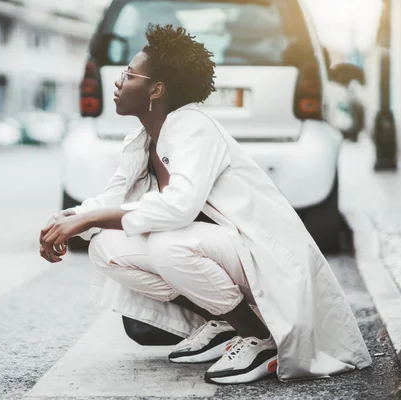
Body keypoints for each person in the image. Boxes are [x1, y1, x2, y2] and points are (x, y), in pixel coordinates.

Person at [39, 24, 372, 384]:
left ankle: (257, 336)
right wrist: (71, 219)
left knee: (169, 243)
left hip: (262, 256)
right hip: (224, 254)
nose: (118, 82)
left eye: (129, 75)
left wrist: (90, 218)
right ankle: (225, 326)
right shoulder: (142, 140)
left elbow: (177, 208)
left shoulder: (193, 127)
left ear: (157, 89)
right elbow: (112, 198)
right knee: (106, 247)